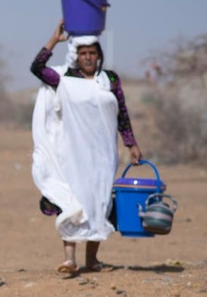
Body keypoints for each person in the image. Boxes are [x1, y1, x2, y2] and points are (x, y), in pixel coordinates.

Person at [30, 20, 143, 274]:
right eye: (83, 53)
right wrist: (53, 39)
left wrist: (131, 143)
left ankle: (92, 260)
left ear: (99, 55)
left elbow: (121, 114)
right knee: (73, 201)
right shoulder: (65, 79)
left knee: (99, 202)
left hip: (103, 154)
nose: (88, 57)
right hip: (73, 153)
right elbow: (37, 67)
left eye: (92, 53)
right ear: (76, 56)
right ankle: (69, 259)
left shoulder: (110, 80)